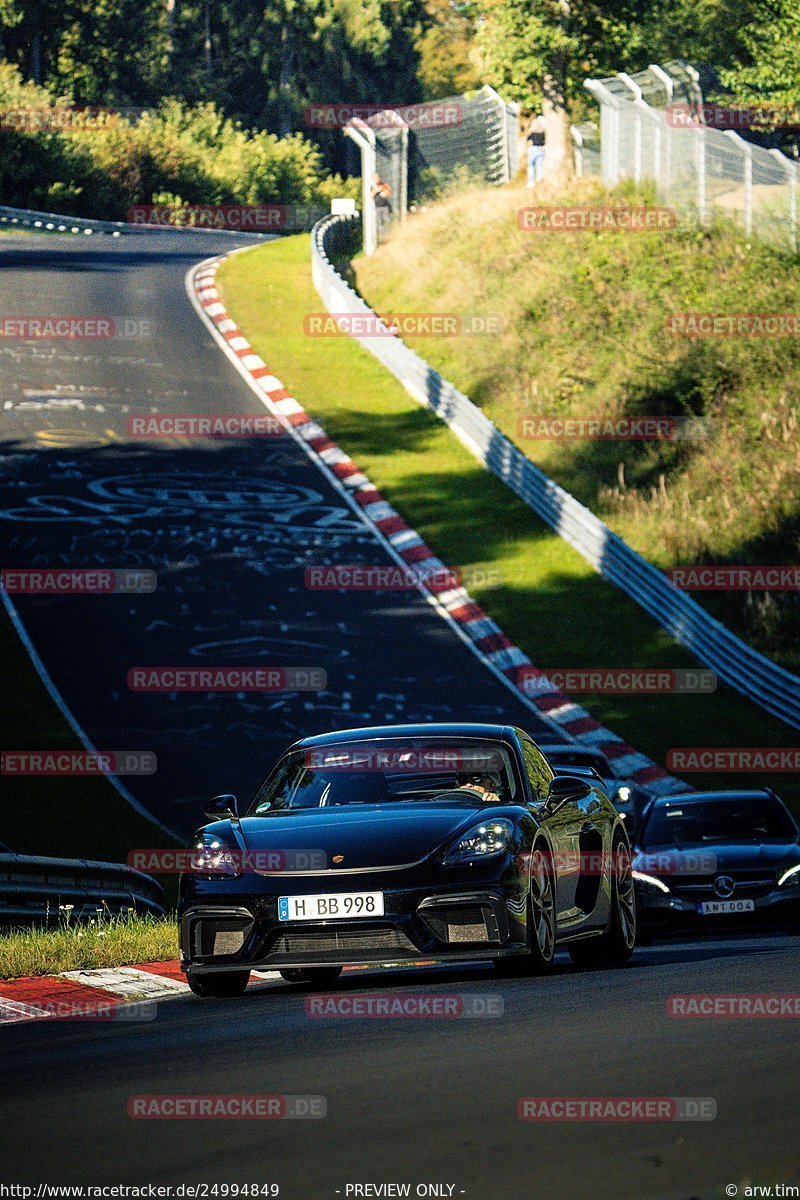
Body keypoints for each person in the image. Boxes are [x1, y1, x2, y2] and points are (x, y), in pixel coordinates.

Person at [525, 113, 546, 187]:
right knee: (539, 165)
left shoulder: (532, 133)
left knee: (531, 165)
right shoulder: (543, 133)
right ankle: (539, 180)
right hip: (541, 149)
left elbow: (527, 139)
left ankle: (531, 181)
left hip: (533, 149)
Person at [371, 172, 393, 240]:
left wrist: (383, 190)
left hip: (385, 206)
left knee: (387, 221)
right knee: (380, 223)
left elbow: (388, 193)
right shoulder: (372, 187)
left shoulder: (384, 185)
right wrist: (376, 190)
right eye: (374, 178)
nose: (376, 179)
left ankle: (389, 235)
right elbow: (371, 195)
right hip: (378, 207)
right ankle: (382, 237)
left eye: (377, 177)